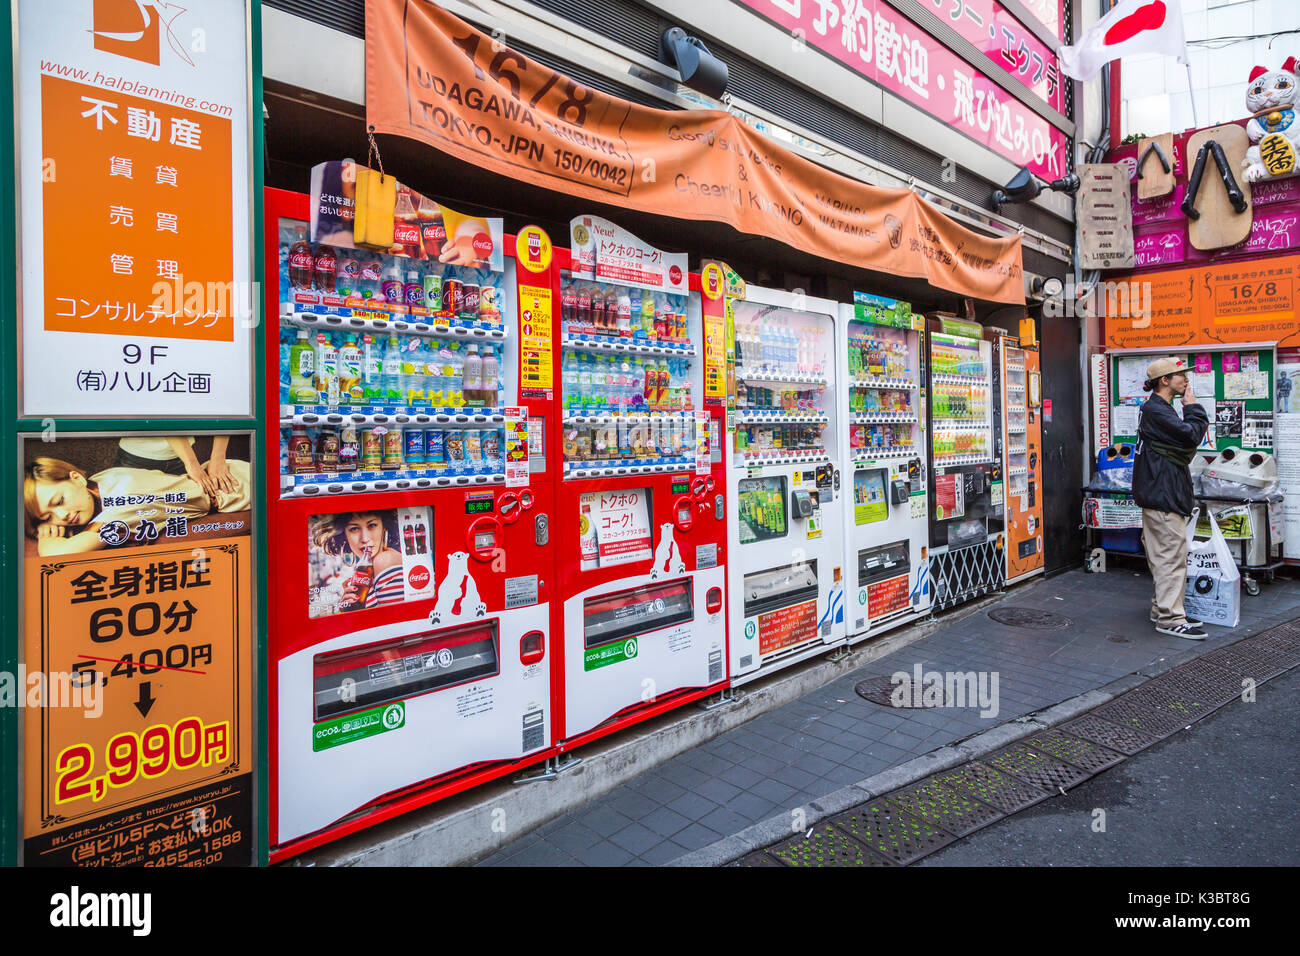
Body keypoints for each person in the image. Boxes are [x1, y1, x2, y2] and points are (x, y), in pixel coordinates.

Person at [24, 453, 252, 556]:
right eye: (48, 518)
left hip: (235, 489)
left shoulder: (119, 507)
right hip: (224, 479)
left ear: (76, 478)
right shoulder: (102, 480)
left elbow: (61, 555)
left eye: (59, 501)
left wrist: (46, 538)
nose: (61, 516)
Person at [1133, 357, 1210, 639]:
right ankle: (1169, 618)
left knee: (1164, 557)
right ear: (1164, 381)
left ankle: (1162, 608)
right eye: (1180, 375)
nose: (1186, 379)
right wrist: (1192, 407)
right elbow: (1190, 436)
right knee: (1171, 558)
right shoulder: (1158, 411)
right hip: (1163, 496)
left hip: (1159, 494)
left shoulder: (1155, 409)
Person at [309, 511, 404, 612]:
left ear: (384, 527)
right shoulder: (372, 565)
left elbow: (393, 621)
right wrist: (349, 606)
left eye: (372, 525)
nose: (364, 538)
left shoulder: (383, 560)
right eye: (354, 529)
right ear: (345, 535)